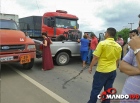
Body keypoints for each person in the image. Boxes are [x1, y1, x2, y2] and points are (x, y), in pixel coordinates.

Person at [88, 27, 122, 103]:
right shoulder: (118, 46)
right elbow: (117, 60)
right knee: (108, 90)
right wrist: (115, 68)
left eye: (105, 33)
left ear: (107, 34)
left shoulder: (102, 43)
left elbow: (95, 57)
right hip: (112, 71)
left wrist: (90, 67)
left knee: (96, 90)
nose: (105, 34)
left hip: (101, 71)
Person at [119, 35, 140, 102]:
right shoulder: (137, 44)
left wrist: (137, 49)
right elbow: (122, 66)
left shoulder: (136, 46)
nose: (137, 28)